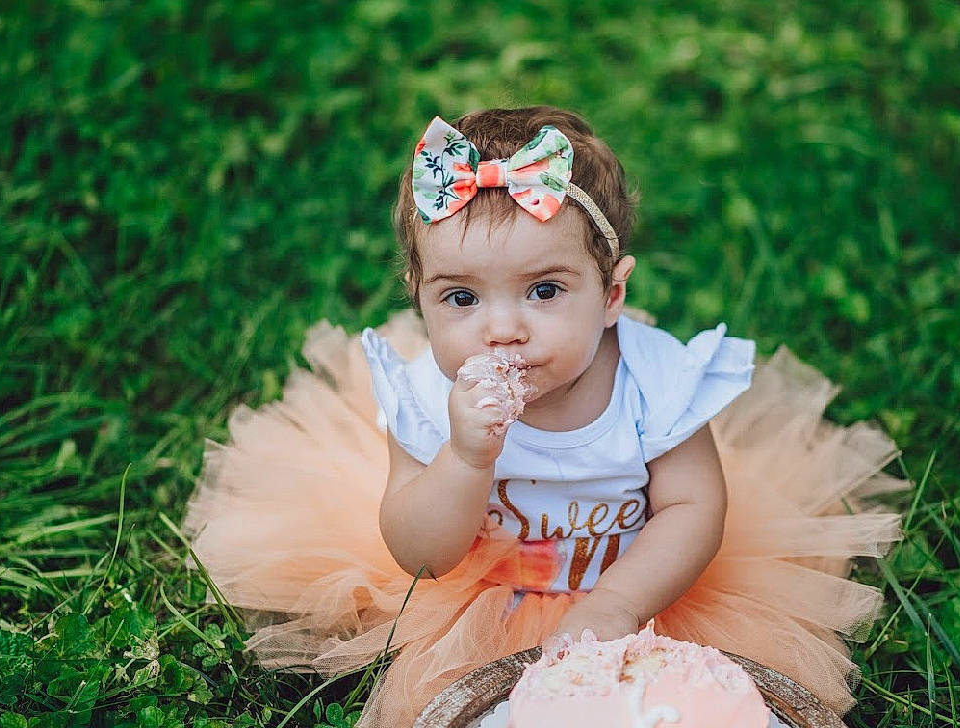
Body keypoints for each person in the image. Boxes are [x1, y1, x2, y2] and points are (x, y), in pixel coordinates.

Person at [183, 106, 907, 727]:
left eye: (545, 290)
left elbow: (694, 508)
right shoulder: (430, 400)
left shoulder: (653, 382)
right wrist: (466, 459)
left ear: (612, 294)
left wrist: (618, 605)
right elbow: (421, 556)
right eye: (461, 299)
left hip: (640, 589)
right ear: (419, 297)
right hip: (482, 602)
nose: (502, 329)